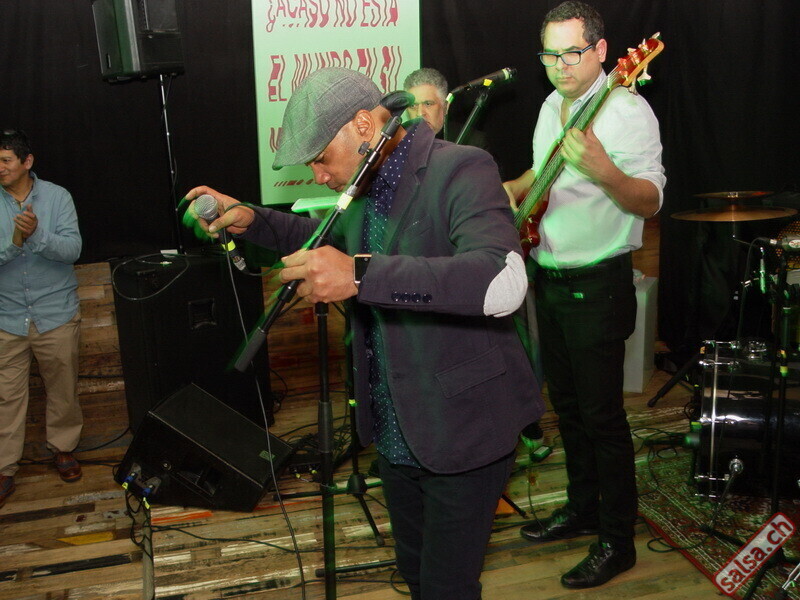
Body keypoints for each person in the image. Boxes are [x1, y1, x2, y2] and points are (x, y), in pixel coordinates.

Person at [185, 67, 543, 600]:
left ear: (362, 124)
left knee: (447, 588)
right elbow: (327, 238)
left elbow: (502, 280)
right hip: (397, 429)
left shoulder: (461, 166)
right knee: (417, 575)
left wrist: (360, 275)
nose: (318, 175)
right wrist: (252, 220)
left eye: (320, 158)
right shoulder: (366, 185)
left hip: (464, 427)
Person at [504, 1, 666, 589]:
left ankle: (618, 541)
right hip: (548, 276)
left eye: (572, 53)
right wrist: (510, 192)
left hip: (598, 284)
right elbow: (541, 174)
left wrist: (604, 170)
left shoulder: (627, 111)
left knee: (602, 418)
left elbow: (651, 200)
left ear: (601, 51)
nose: (560, 66)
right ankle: (582, 509)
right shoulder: (551, 106)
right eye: (550, 55)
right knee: (568, 410)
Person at [0, 129, 84, 509]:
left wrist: (36, 235)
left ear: (27, 162)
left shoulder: (57, 197)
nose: (0, 168)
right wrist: (15, 244)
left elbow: (73, 249)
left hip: (56, 313)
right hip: (7, 317)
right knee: (6, 397)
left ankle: (64, 449)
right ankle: (5, 469)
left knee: (62, 388)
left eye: (6, 160)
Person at [403, 67, 449, 136]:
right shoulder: (397, 141)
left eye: (428, 104)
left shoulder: (461, 139)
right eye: (413, 106)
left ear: (445, 107)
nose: (420, 113)